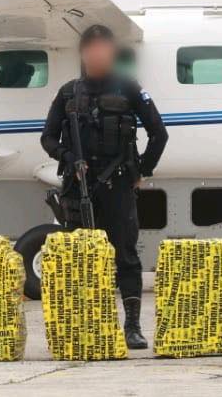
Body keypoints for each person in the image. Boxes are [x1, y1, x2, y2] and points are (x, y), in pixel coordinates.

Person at [40, 24, 169, 350]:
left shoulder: (129, 88)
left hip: (118, 184)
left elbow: (159, 133)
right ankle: (88, 323)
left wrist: (142, 170)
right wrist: (68, 157)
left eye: (103, 48)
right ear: (83, 53)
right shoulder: (68, 93)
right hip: (78, 186)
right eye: (91, 48)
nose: (97, 54)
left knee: (125, 254)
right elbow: (47, 137)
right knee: (81, 257)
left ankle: (132, 327)